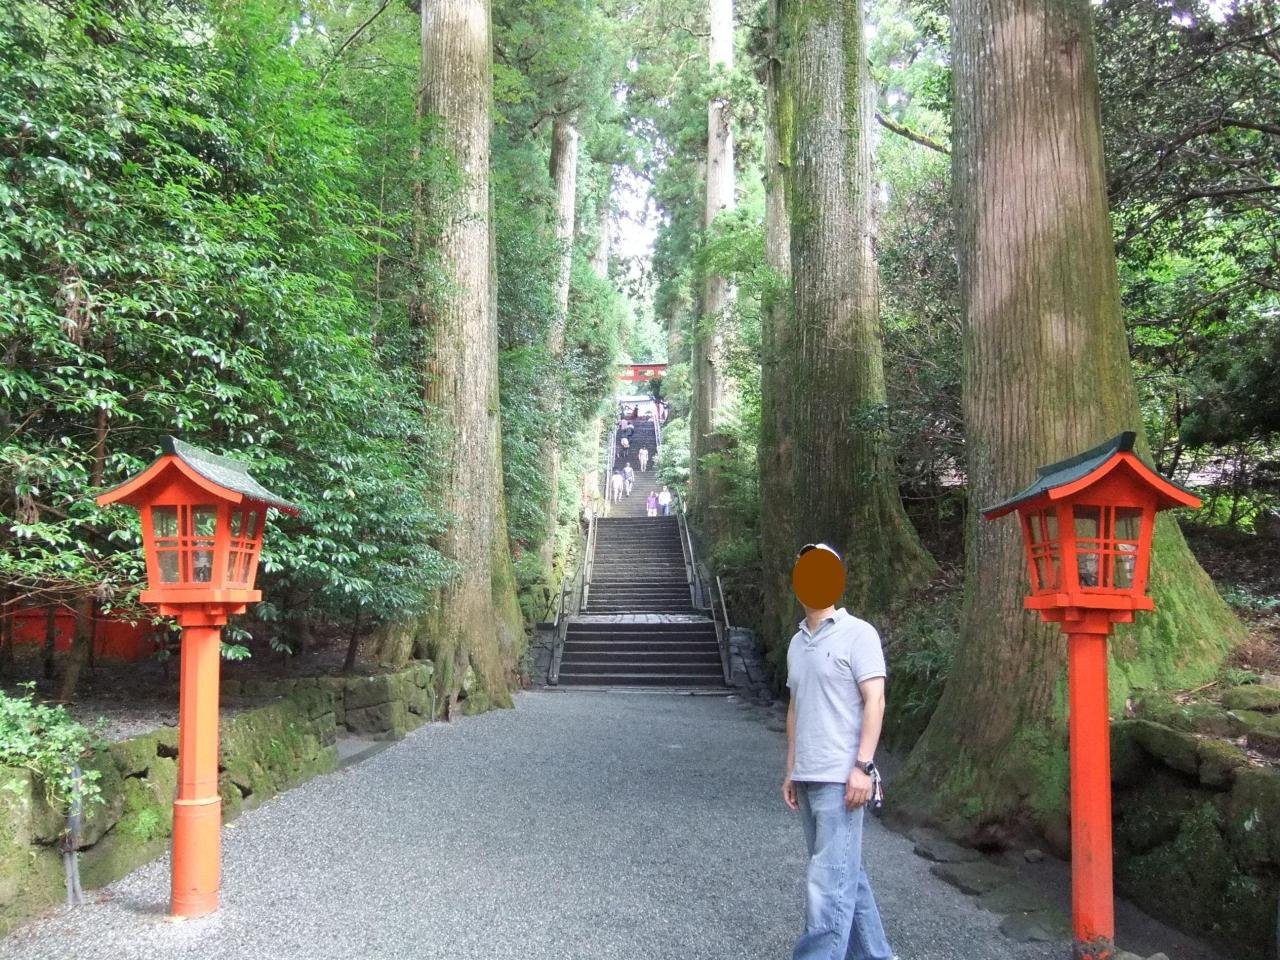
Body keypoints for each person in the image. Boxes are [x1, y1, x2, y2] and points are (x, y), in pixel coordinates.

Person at [783, 543, 893, 960]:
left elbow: (875, 699)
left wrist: (863, 766)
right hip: (808, 775)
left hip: (842, 777)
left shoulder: (858, 634)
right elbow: (795, 707)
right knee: (845, 874)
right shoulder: (796, 643)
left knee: (827, 883)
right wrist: (791, 768)